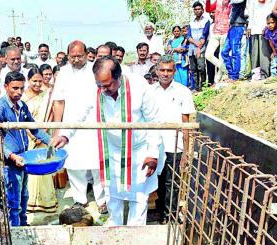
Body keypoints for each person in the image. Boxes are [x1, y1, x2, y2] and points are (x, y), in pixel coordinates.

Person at [54, 56, 164, 226]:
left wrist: (152, 154)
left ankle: (134, 236)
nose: (103, 89)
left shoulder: (139, 86)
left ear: (118, 76)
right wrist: (65, 134)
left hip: (139, 151)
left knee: (139, 197)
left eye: (108, 85)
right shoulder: (95, 88)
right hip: (111, 150)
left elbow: (154, 121)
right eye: (100, 85)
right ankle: (116, 231)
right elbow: (79, 113)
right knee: (113, 195)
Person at [0, 71, 51, 226]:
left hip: (23, 159)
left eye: (21, 89)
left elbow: (33, 127)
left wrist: (51, 141)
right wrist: (11, 156)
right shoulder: (0, 108)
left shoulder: (22, 105)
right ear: (5, 86)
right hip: (10, 162)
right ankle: (15, 231)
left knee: (24, 195)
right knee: (13, 201)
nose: (18, 92)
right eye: (14, 88)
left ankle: (23, 225)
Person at [52, 40, 106, 212]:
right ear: (68, 56)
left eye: (79, 56)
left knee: (98, 163)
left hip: (94, 123)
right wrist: (58, 129)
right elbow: (58, 102)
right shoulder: (63, 73)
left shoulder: (95, 69)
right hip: (70, 125)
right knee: (74, 164)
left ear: (86, 55)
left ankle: (102, 200)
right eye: (72, 56)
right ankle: (80, 199)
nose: (76, 59)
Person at [148, 55, 195, 224]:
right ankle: (160, 211)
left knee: (172, 182)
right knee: (157, 180)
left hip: (175, 144)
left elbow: (186, 123)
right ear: (157, 71)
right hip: (154, 144)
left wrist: (187, 152)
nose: (165, 73)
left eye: (169, 70)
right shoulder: (149, 92)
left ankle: (171, 215)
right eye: (162, 70)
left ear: (174, 71)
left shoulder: (183, 91)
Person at [21, 68, 58, 212]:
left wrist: (42, 134)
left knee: (44, 167)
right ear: (28, 81)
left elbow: (51, 115)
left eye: (39, 81)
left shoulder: (46, 96)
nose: (37, 84)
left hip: (43, 136)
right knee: (30, 169)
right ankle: (30, 203)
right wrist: (32, 136)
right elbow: (22, 120)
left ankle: (46, 204)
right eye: (34, 81)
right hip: (29, 138)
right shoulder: (23, 97)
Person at [247, 0, 275, 79]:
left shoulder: (271, 1)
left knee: (264, 54)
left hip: (266, 29)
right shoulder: (252, 1)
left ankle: (264, 74)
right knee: (255, 54)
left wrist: (268, 27)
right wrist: (249, 27)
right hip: (255, 29)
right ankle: (255, 73)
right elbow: (251, 13)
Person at [221, 0, 248, 82]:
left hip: (238, 26)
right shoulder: (232, 3)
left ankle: (235, 76)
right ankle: (231, 73)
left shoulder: (239, 1)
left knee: (235, 52)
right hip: (232, 27)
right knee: (224, 52)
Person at [205, 0, 231, 84]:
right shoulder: (216, 2)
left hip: (225, 31)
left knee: (221, 56)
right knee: (208, 55)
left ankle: (218, 80)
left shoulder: (228, 2)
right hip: (215, 32)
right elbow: (208, 9)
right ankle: (227, 70)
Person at [187, 1, 210, 91]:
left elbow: (204, 35)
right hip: (192, 49)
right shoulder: (191, 22)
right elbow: (188, 36)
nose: (197, 11)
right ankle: (196, 88)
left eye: (199, 9)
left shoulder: (206, 21)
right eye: (195, 9)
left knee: (202, 67)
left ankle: (203, 85)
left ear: (202, 10)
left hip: (202, 48)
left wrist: (199, 48)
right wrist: (196, 45)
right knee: (193, 69)